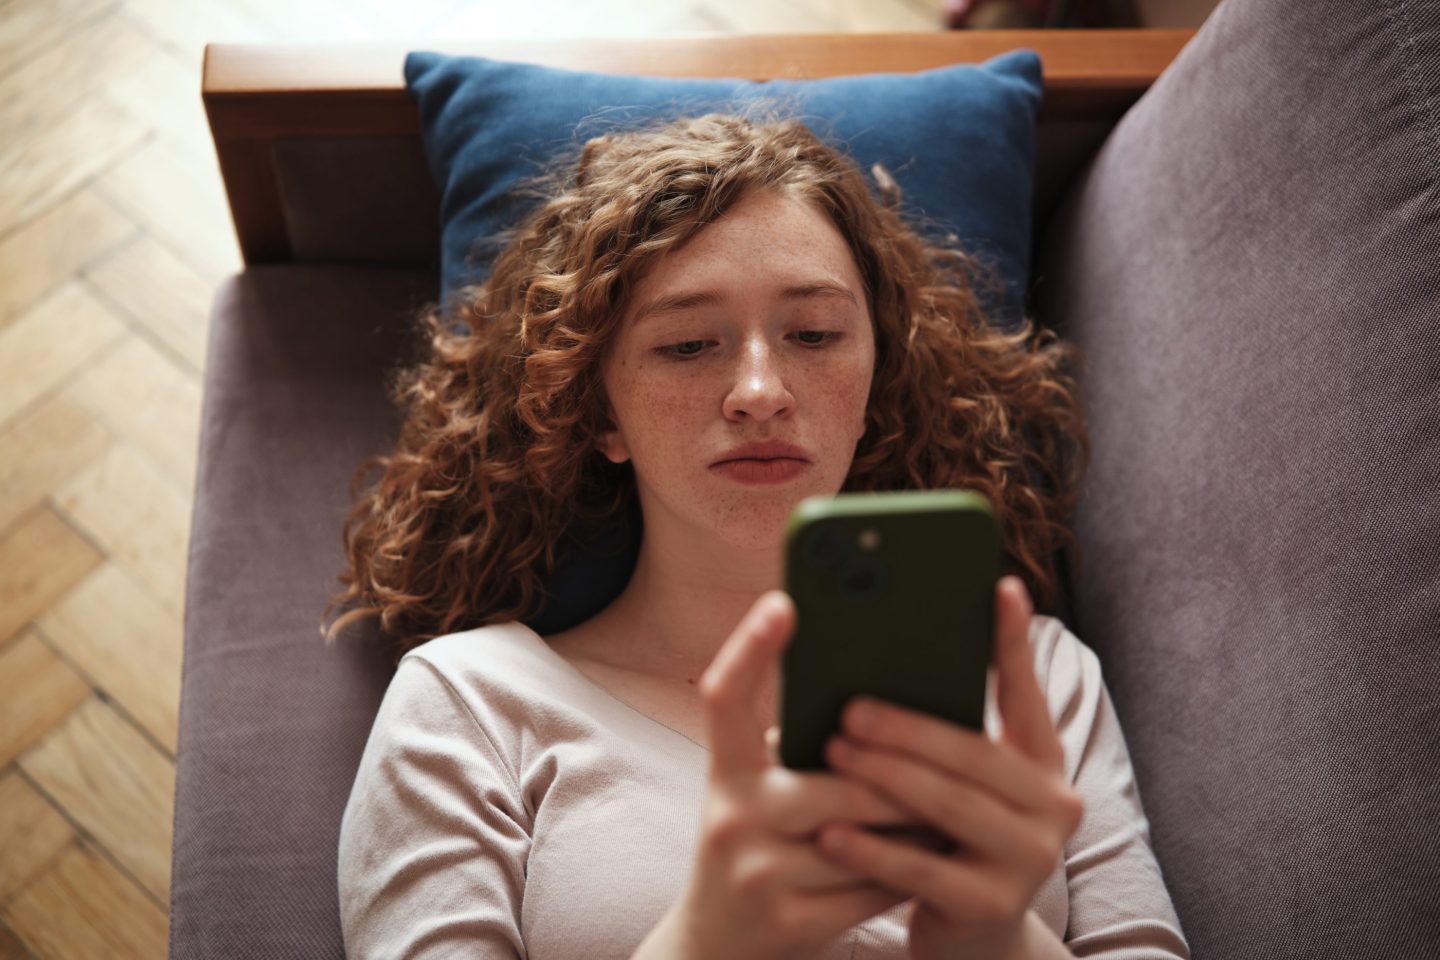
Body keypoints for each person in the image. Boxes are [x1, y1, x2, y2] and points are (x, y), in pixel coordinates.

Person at [323, 111, 1190, 960]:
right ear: (600, 415)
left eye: (813, 334)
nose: (760, 390)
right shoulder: (474, 706)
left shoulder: (1038, 677)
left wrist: (996, 939)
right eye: (689, 345)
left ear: (873, 385)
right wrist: (711, 935)